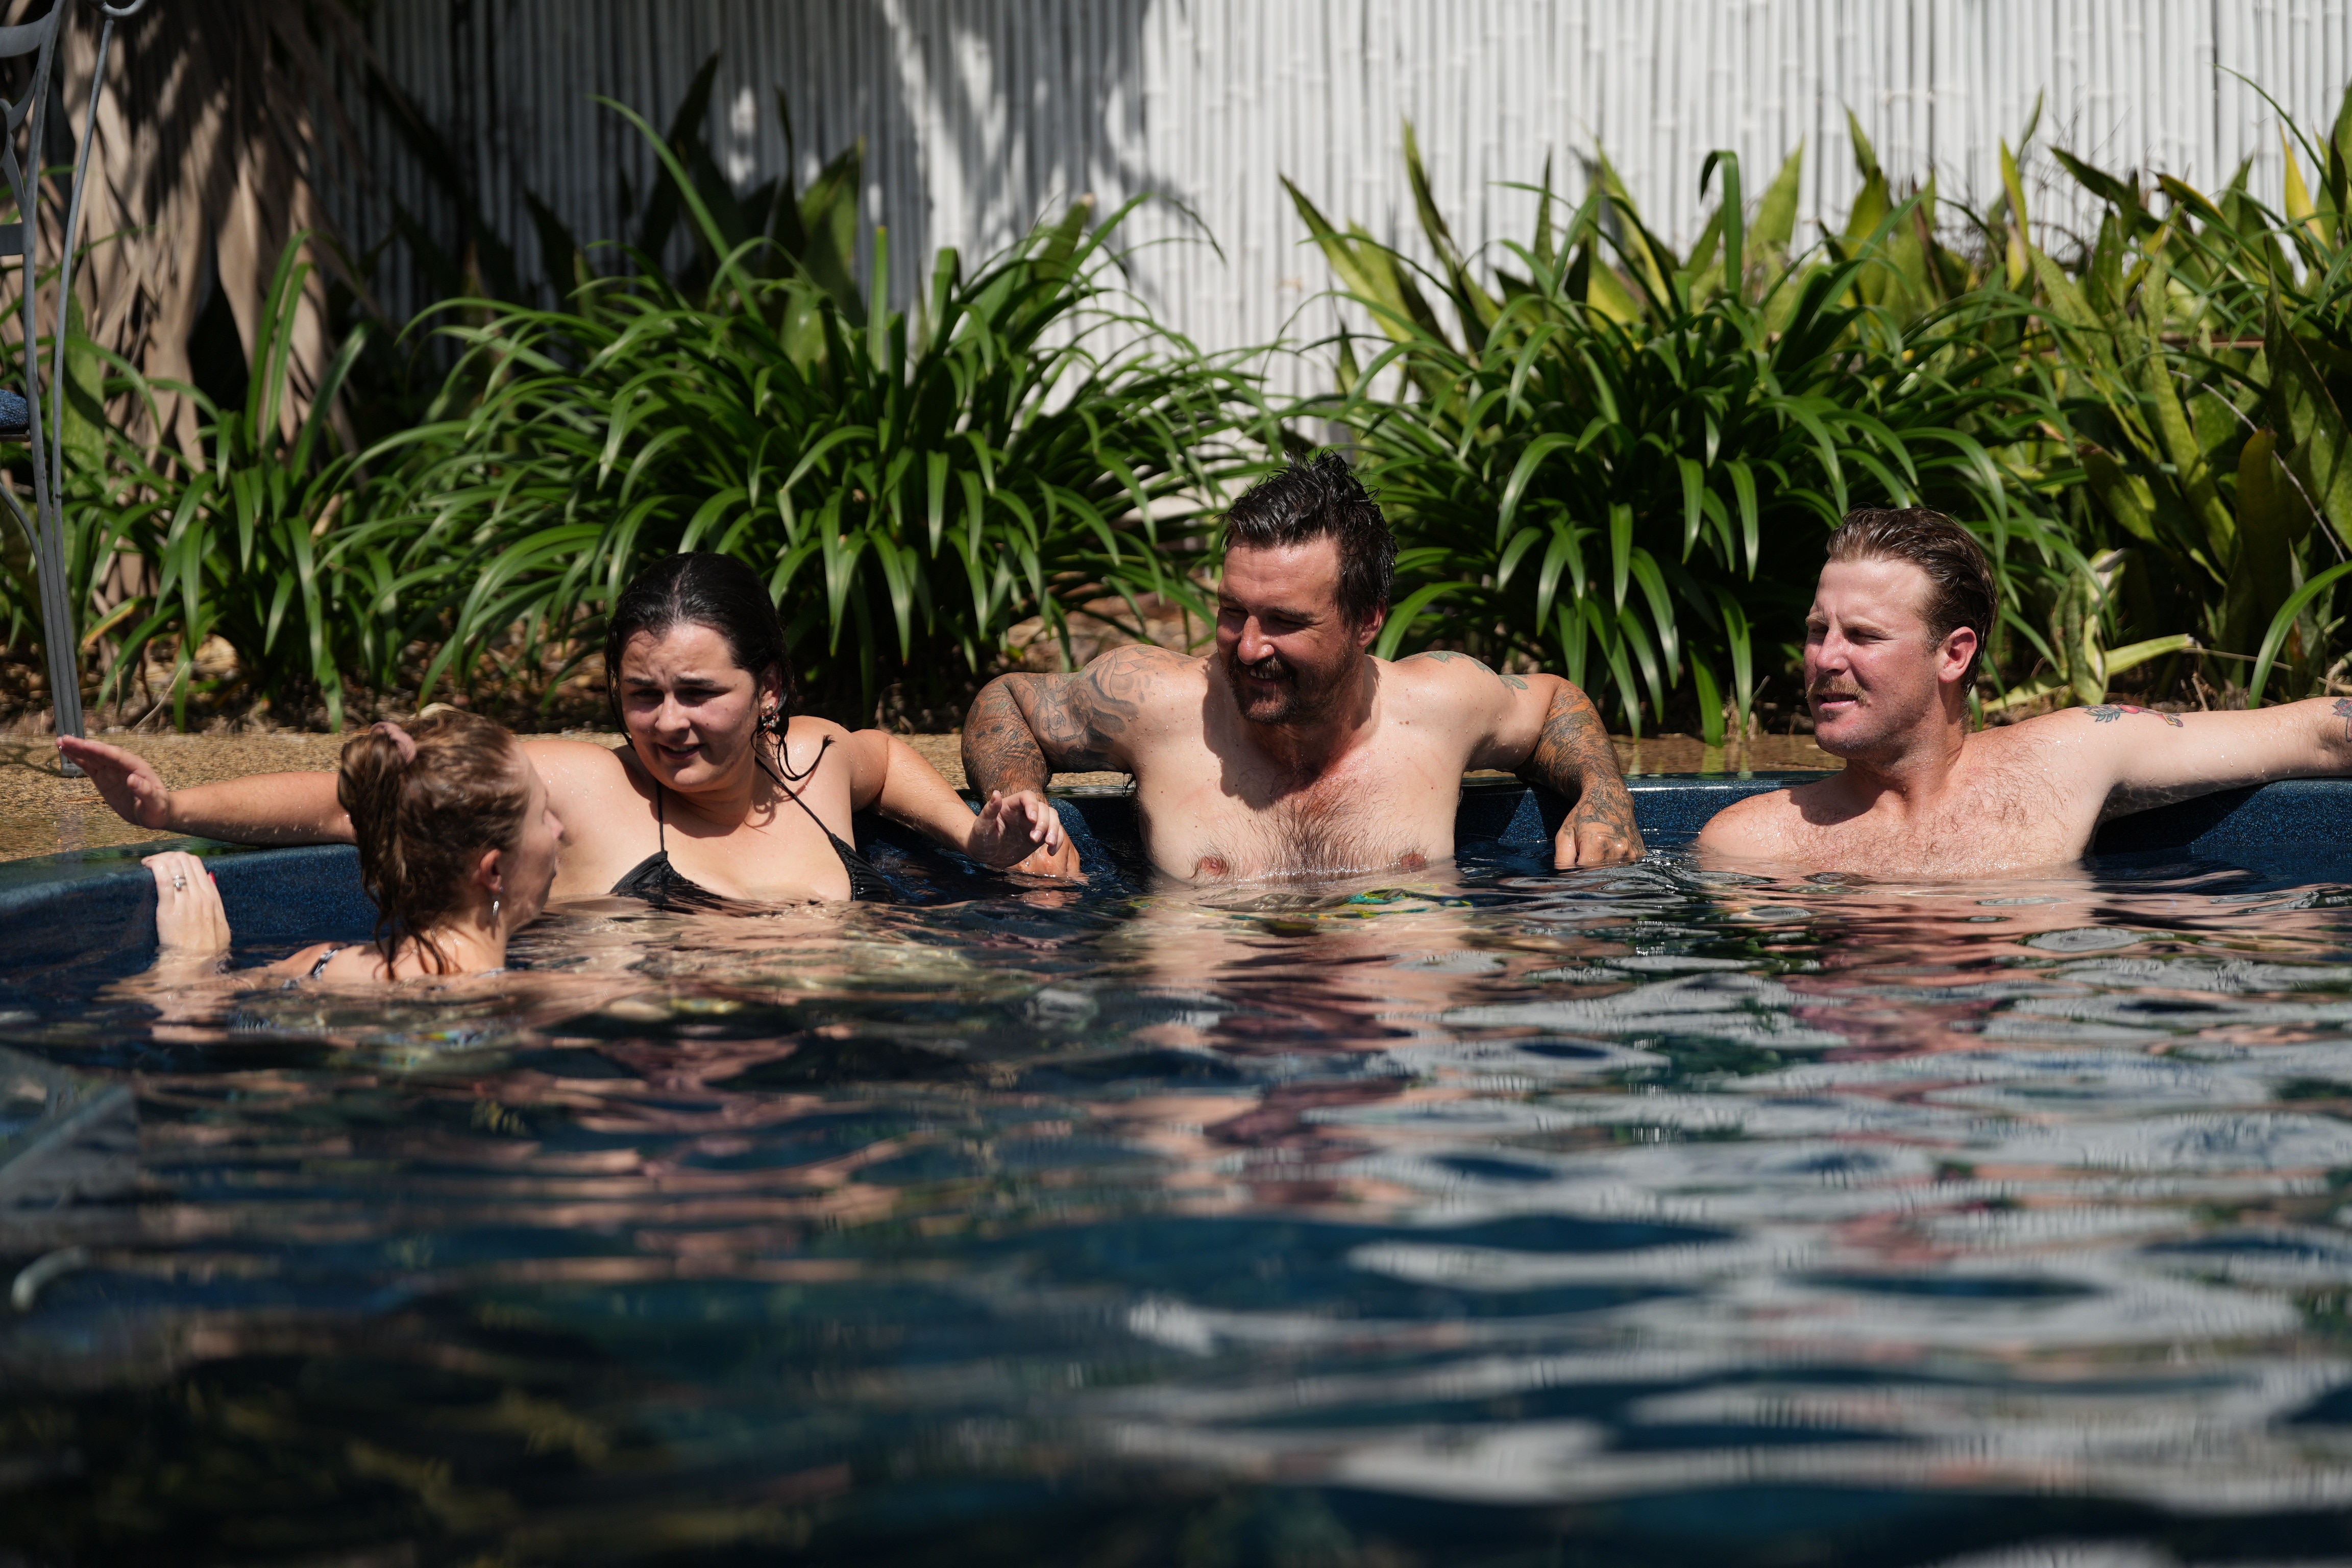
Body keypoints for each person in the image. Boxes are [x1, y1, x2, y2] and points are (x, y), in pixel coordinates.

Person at [65, 553, 1072, 908]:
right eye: (642, 696)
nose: (666, 724)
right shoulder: (588, 789)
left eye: (695, 693)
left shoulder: (814, 757)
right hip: (647, 1101)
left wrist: (973, 833)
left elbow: (887, 757)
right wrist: (171, 805)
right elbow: (366, 793)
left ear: (769, 689)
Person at [960, 452, 1641, 881]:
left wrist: (1603, 801)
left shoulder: (1439, 706)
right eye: (1233, 611)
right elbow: (1009, 702)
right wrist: (1021, 799)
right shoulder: (1159, 703)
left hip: (1397, 1070)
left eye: (1286, 622)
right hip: (1208, 1062)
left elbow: (1553, 703)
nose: (1250, 646)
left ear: (1367, 621)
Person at [1695, 506, 2352, 877]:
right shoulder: (1753, 843)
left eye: (1862, 635)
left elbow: (2320, 732)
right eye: (1817, 630)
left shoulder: (2072, 757)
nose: (1824, 657)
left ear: (1953, 655)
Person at [138, 709, 564, 979]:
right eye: (544, 815)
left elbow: (202, 1023)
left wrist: (192, 964)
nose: (559, 829)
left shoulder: (320, 966)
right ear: (493, 871)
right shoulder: (530, 1004)